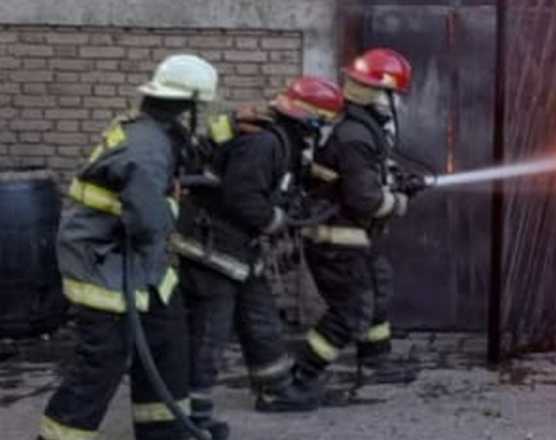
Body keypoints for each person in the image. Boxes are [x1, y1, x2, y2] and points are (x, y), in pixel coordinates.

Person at [39, 54, 218, 440]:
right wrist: (175, 207)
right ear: (187, 105)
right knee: (101, 364)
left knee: (167, 346)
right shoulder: (147, 146)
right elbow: (148, 223)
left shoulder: (149, 131)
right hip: (105, 263)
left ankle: (166, 432)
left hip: (140, 266)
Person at [174, 76, 344, 433]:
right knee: (210, 332)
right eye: (323, 123)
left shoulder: (281, 140)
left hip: (238, 250)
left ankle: (276, 389)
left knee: (260, 318)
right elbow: (242, 198)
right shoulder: (264, 143)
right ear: (311, 120)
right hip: (212, 250)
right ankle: (191, 411)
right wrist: (274, 220)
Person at [294, 48, 426, 393]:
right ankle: (301, 376)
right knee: (351, 311)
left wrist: (397, 179)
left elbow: (365, 174)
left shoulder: (361, 128)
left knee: (378, 291)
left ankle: (375, 362)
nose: (397, 102)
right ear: (376, 94)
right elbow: (365, 199)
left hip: (355, 237)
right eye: (393, 94)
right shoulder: (355, 135)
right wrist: (399, 201)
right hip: (336, 241)